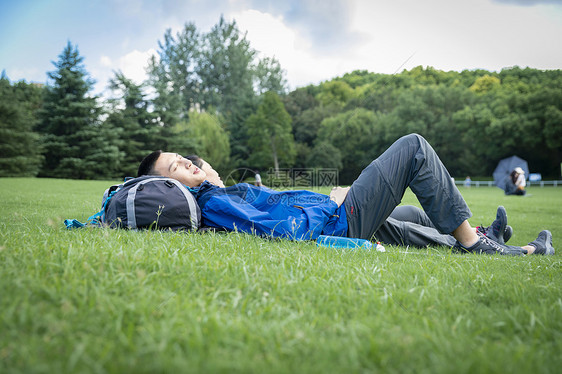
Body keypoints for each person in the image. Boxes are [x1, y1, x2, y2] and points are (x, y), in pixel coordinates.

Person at [137, 134, 554, 255]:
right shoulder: (213, 202)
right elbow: (287, 229)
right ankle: (475, 243)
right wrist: (336, 201)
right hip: (336, 219)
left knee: (408, 211)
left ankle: (481, 234)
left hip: (334, 213)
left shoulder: (220, 193)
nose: (190, 163)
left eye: (184, 158)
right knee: (412, 148)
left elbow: (277, 209)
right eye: (177, 166)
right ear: (169, 184)